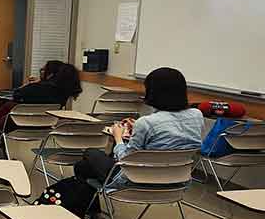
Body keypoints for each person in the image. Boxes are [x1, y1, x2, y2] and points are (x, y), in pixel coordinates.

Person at [75, 67, 203, 189]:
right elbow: (172, 135)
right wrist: (138, 128)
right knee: (84, 166)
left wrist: (118, 137)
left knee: (89, 154)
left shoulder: (147, 123)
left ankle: (83, 205)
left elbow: (125, 159)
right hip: (177, 182)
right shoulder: (196, 115)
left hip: (138, 180)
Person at [0, 60, 83, 157]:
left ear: (51, 75)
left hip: (19, 125)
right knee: (9, 107)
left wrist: (34, 84)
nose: (41, 71)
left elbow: (17, 94)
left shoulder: (37, 87)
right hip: (45, 128)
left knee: (4, 115)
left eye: (43, 70)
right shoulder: (62, 94)